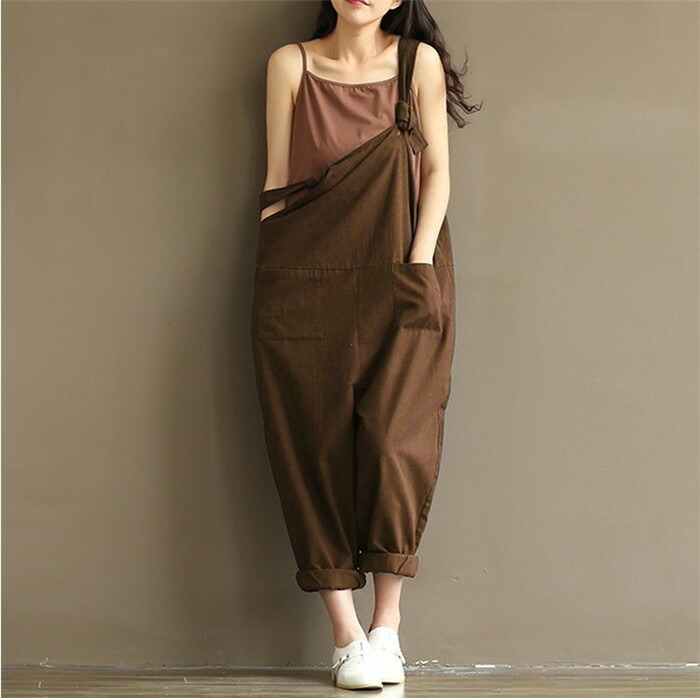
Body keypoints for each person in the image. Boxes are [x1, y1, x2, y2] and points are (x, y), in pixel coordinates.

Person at [253, 0, 481, 689]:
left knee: (394, 445)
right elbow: (277, 181)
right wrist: (279, 271)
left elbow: (436, 172)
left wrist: (417, 264)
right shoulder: (290, 64)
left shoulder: (417, 62)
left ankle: (387, 628)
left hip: (403, 271)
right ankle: (346, 637)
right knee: (312, 443)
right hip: (304, 274)